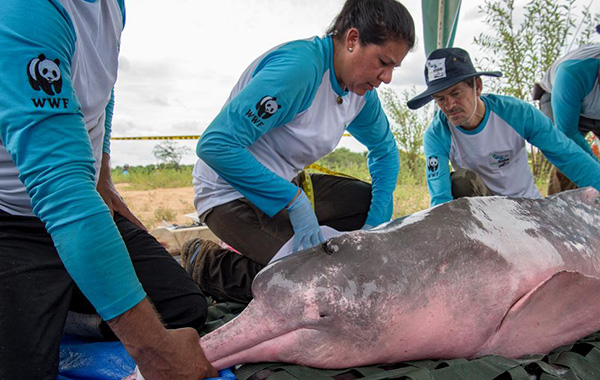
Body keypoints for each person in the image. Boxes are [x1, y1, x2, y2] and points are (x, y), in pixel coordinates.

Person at [0, 1, 217, 379]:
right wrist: (154, 350)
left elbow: (106, 89)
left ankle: (71, 312)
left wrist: (104, 176)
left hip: (81, 200)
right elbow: (61, 190)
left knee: (183, 308)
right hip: (12, 219)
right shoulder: (25, 9)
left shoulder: (112, 7)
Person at [189, 0, 415, 303]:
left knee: (366, 210)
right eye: (383, 62)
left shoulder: (360, 93)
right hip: (230, 194)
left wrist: (376, 225)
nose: (386, 78)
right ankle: (208, 265)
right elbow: (215, 146)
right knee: (321, 287)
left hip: (290, 185)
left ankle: (287, 247)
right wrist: (293, 202)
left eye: (394, 68)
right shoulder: (300, 70)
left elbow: (385, 152)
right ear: (352, 40)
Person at [406, 47, 600, 207]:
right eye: (440, 99)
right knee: (461, 181)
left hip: (526, 206)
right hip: (483, 213)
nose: (449, 105)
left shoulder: (517, 113)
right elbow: (440, 197)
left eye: (456, 93)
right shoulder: (437, 135)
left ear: (477, 86)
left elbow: (566, 154)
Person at [535, 44, 600, 194]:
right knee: (568, 158)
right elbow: (567, 133)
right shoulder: (572, 72)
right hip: (560, 103)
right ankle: (559, 213)